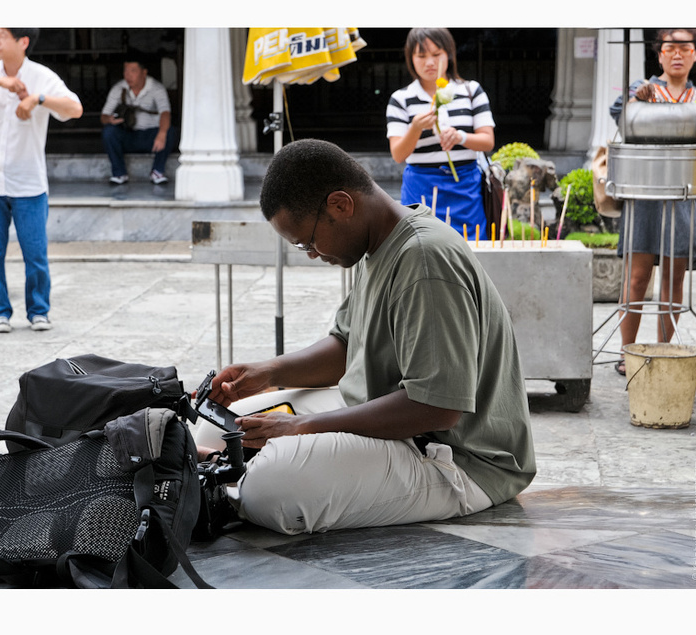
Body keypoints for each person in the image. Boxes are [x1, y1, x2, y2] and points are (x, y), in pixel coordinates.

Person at [195, 139, 536, 536]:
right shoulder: (378, 244)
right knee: (218, 431)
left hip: (460, 457)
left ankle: (239, 483)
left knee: (270, 487)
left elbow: (437, 408)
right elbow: (346, 346)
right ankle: (235, 477)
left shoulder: (425, 259)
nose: (311, 254)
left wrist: (304, 428)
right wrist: (269, 372)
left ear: (341, 205)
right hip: (388, 414)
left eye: (308, 241)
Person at [0, 28, 82, 334]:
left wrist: (38, 100)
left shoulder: (42, 76)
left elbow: (75, 108)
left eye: (2, 35)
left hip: (29, 182)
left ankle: (38, 311)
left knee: (35, 253)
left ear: (23, 41)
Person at [608, 28, 696, 375]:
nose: (677, 54)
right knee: (636, 278)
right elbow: (618, 113)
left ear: (695, 54)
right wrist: (638, 101)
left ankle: (663, 349)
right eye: (670, 48)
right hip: (644, 193)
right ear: (659, 54)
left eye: (685, 48)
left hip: (681, 195)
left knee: (674, 281)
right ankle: (626, 352)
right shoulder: (642, 89)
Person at [387, 28, 495, 237]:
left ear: (449, 55)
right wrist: (416, 128)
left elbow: (488, 141)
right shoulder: (401, 99)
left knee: (470, 248)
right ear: (411, 58)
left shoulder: (471, 91)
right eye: (421, 56)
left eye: (436, 55)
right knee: (421, 249)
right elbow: (398, 154)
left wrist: (460, 137)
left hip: (465, 188)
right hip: (421, 189)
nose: (430, 63)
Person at [100, 57, 177, 185]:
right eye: (125, 71)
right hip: (128, 136)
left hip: (152, 138)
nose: (128, 75)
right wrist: (109, 119)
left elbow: (165, 112)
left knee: (169, 131)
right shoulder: (119, 88)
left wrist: (162, 134)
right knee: (109, 132)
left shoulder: (156, 88)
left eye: (133, 71)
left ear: (144, 72)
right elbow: (103, 116)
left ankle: (157, 171)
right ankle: (119, 173)